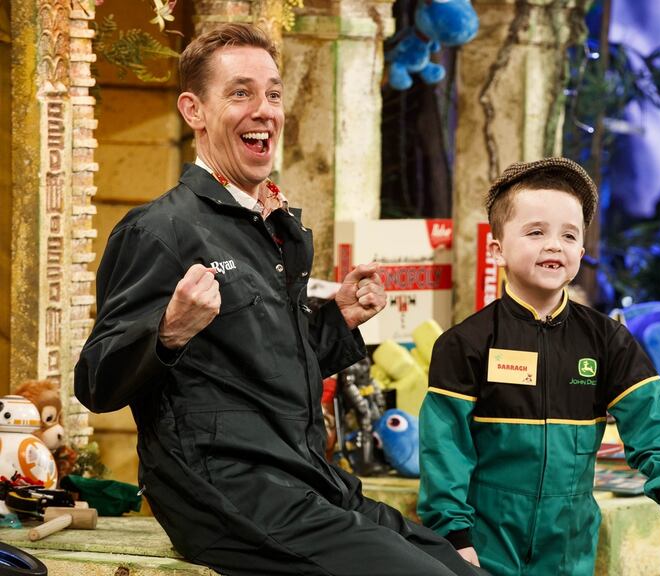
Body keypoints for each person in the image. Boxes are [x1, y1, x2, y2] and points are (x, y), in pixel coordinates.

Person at [75, 23, 484, 576]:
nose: (264, 109)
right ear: (193, 110)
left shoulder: (274, 227)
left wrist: (338, 319)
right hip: (224, 492)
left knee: (461, 568)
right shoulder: (158, 231)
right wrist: (168, 331)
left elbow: (268, 366)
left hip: (305, 475)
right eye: (240, 92)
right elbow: (96, 384)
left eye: (272, 93)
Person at [417, 157, 660, 576]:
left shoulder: (608, 341)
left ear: (581, 252)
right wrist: (455, 536)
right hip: (487, 543)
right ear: (496, 249)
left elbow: (651, 418)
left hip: (569, 545)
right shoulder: (465, 344)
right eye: (535, 232)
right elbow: (445, 449)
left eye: (569, 235)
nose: (554, 245)